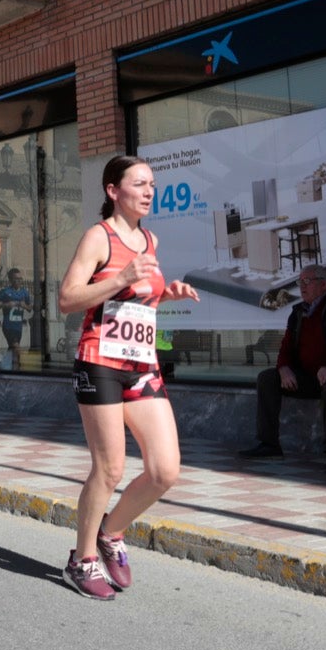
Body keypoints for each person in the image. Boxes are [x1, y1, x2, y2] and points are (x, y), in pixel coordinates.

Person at [57, 156, 199, 600]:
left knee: (164, 470)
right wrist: (119, 276)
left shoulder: (149, 239)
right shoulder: (98, 237)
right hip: (99, 363)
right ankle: (81, 561)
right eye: (139, 183)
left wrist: (165, 293)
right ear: (113, 191)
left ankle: (111, 532)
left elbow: (138, 301)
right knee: (111, 467)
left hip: (141, 364)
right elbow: (67, 298)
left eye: (152, 184)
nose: (149, 191)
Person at [238, 264, 326, 474]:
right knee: (268, 378)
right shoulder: (298, 312)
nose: (302, 286)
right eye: (299, 282)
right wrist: (283, 367)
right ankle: (269, 445)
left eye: (307, 281)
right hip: (311, 378)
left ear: (323, 284)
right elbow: (286, 344)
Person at [0, 267, 31, 370]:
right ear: (11, 280)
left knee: (12, 349)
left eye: (20, 279)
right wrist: (5, 305)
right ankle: (21, 369)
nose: (18, 281)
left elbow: (30, 308)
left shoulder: (24, 293)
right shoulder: (6, 292)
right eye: (16, 279)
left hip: (18, 327)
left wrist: (25, 306)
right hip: (8, 326)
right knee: (17, 348)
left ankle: (4, 368)